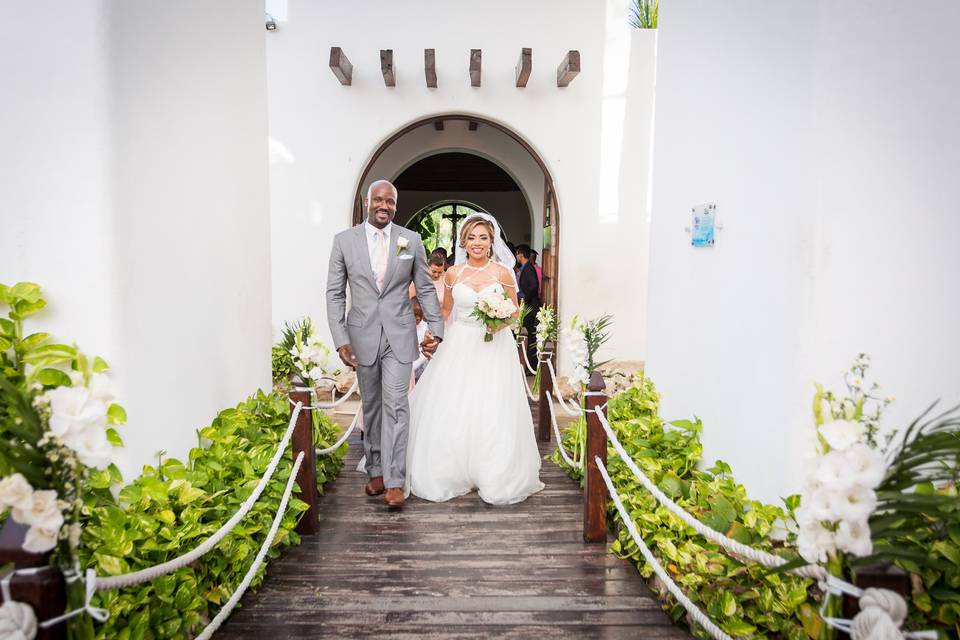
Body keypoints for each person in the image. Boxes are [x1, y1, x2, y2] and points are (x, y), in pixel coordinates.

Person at [405, 213, 544, 505]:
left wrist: (499, 321)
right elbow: (445, 312)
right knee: (458, 404)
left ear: (492, 241)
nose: (477, 243)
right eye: (472, 238)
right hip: (461, 342)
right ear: (464, 242)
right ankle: (453, 468)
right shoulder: (454, 273)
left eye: (483, 237)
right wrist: (431, 334)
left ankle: (492, 470)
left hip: (495, 347)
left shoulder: (504, 273)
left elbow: (516, 311)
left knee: (493, 406)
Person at [326, 179, 443, 509]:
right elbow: (335, 293)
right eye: (378, 200)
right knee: (373, 406)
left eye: (389, 201)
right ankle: (375, 469)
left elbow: (424, 285)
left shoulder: (408, 241)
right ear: (367, 202)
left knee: (396, 404)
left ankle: (394, 479)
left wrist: (436, 327)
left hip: (400, 334)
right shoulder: (344, 242)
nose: (384, 206)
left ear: (395, 205)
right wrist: (340, 339)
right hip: (361, 336)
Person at [515, 244, 541, 366]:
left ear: (520, 254)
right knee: (529, 335)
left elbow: (534, 285)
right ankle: (529, 363)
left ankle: (532, 364)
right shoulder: (526, 267)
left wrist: (526, 299)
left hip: (531, 307)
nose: (516, 257)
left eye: (516, 254)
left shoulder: (528, 268)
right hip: (528, 306)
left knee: (531, 336)